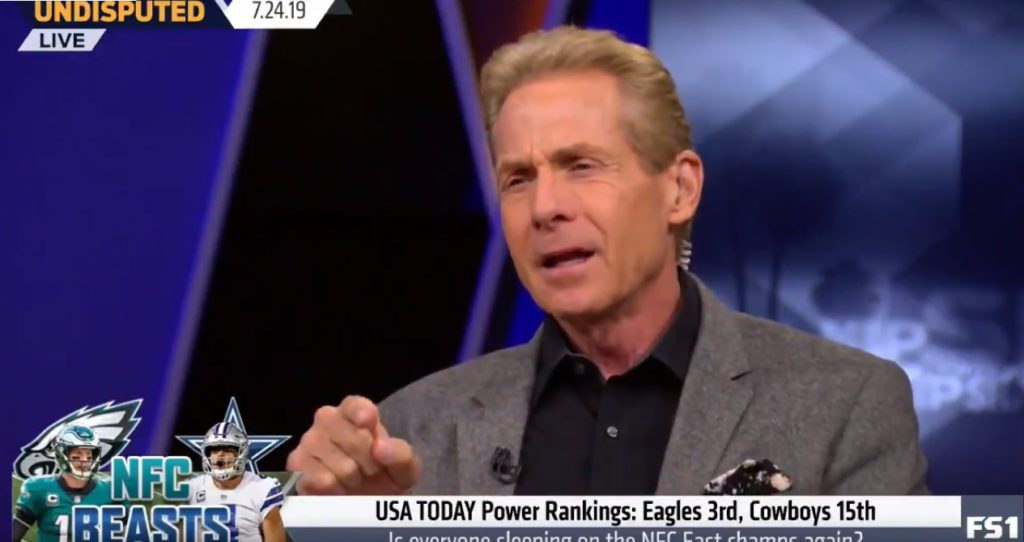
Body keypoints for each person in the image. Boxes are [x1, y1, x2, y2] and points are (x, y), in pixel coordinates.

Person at [286, 26, 929, 495]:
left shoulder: (846, 406)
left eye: (581, 166)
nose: (545, 208)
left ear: (679, 189)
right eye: (518, 179)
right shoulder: (411, 431)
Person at [14, 424, 115, 542]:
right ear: (61, 455)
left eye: (89, 456)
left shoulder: (110, 490)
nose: (84, 461)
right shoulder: (39, 489)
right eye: (77, 456)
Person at [187, 423, 286, 542]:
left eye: (227, 450)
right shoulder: (192, 488)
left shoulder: (262, 488)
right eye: (214, 450)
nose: (220, 455)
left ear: (241, 453)